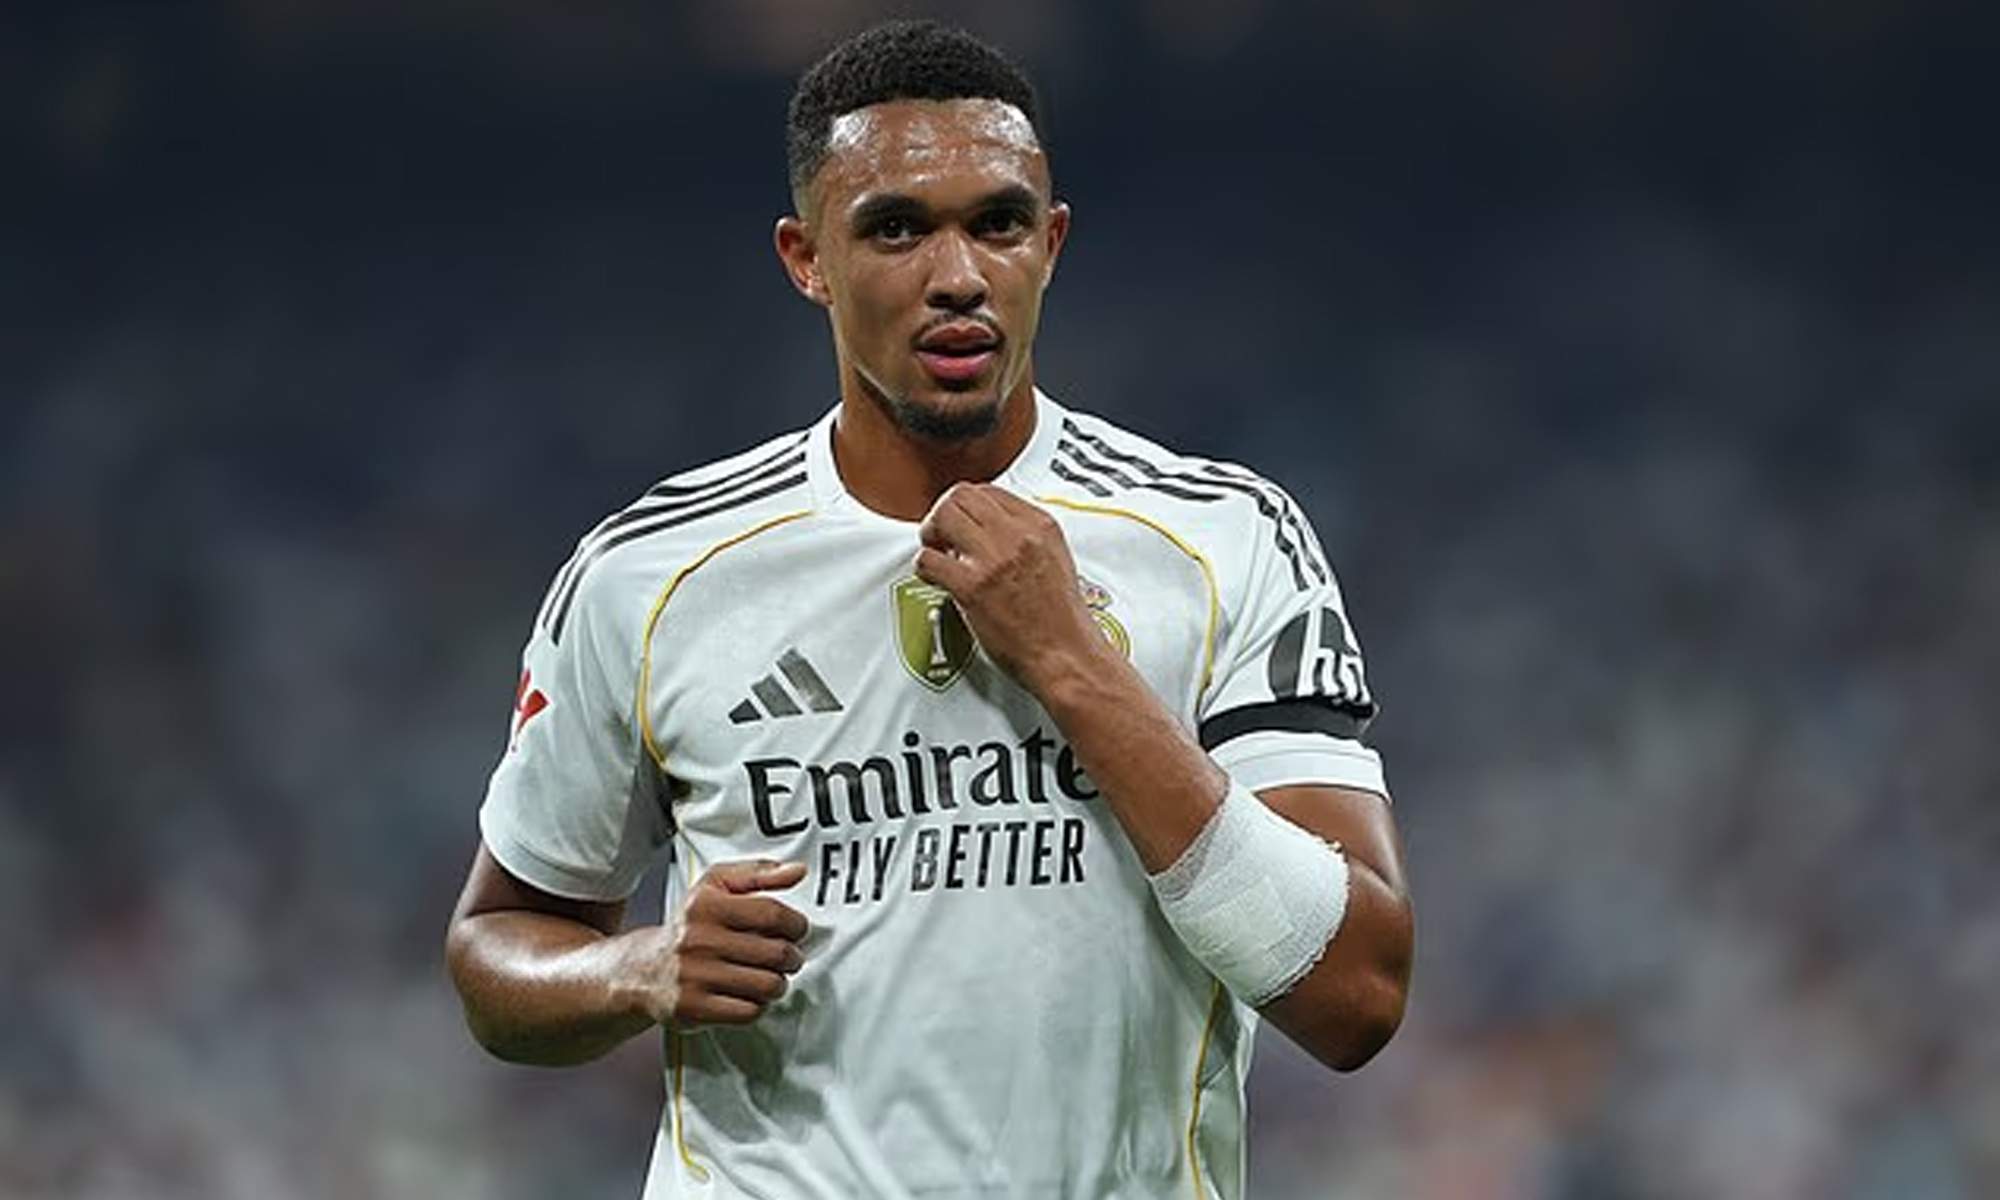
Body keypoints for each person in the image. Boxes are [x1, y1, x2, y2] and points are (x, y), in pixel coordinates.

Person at [445, 19, 1413, 1199]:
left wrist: (1071, 660)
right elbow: (496, 948)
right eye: (896, 228)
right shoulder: (650, 574)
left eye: (996, 223)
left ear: (1049, 244)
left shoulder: (1222, 539)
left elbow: (1355, 992)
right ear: (806, 258)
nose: (957, 275)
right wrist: (637, 970)